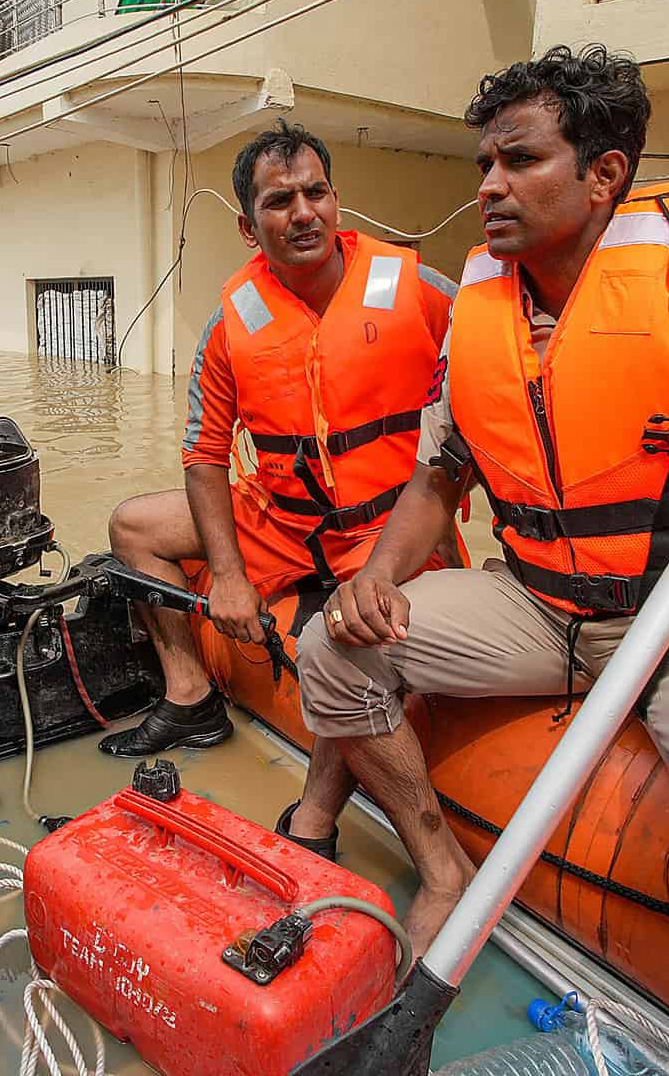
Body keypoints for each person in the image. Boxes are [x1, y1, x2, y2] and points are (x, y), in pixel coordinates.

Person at [294, 44, 669, 956]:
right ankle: (444, 869)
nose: (490, 184)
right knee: (331, 647)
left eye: (520, 160)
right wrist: (377, 575)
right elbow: (441, 473)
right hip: (536, 605)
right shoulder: (480, 297)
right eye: (484, 162)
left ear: (605, 175)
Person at [101, 121, 465, 847]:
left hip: (384, 530)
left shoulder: (419, 289)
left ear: (336, 200)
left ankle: (315, 818)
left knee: (355, 632)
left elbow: (493, 397)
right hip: (281, 521)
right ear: (248, 225)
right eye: (279, 201)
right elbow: (205, 453)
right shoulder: (230, 322)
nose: (303, 213)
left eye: (316, 193)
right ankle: (190, 692)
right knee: (131, 526)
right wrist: (227, 575)